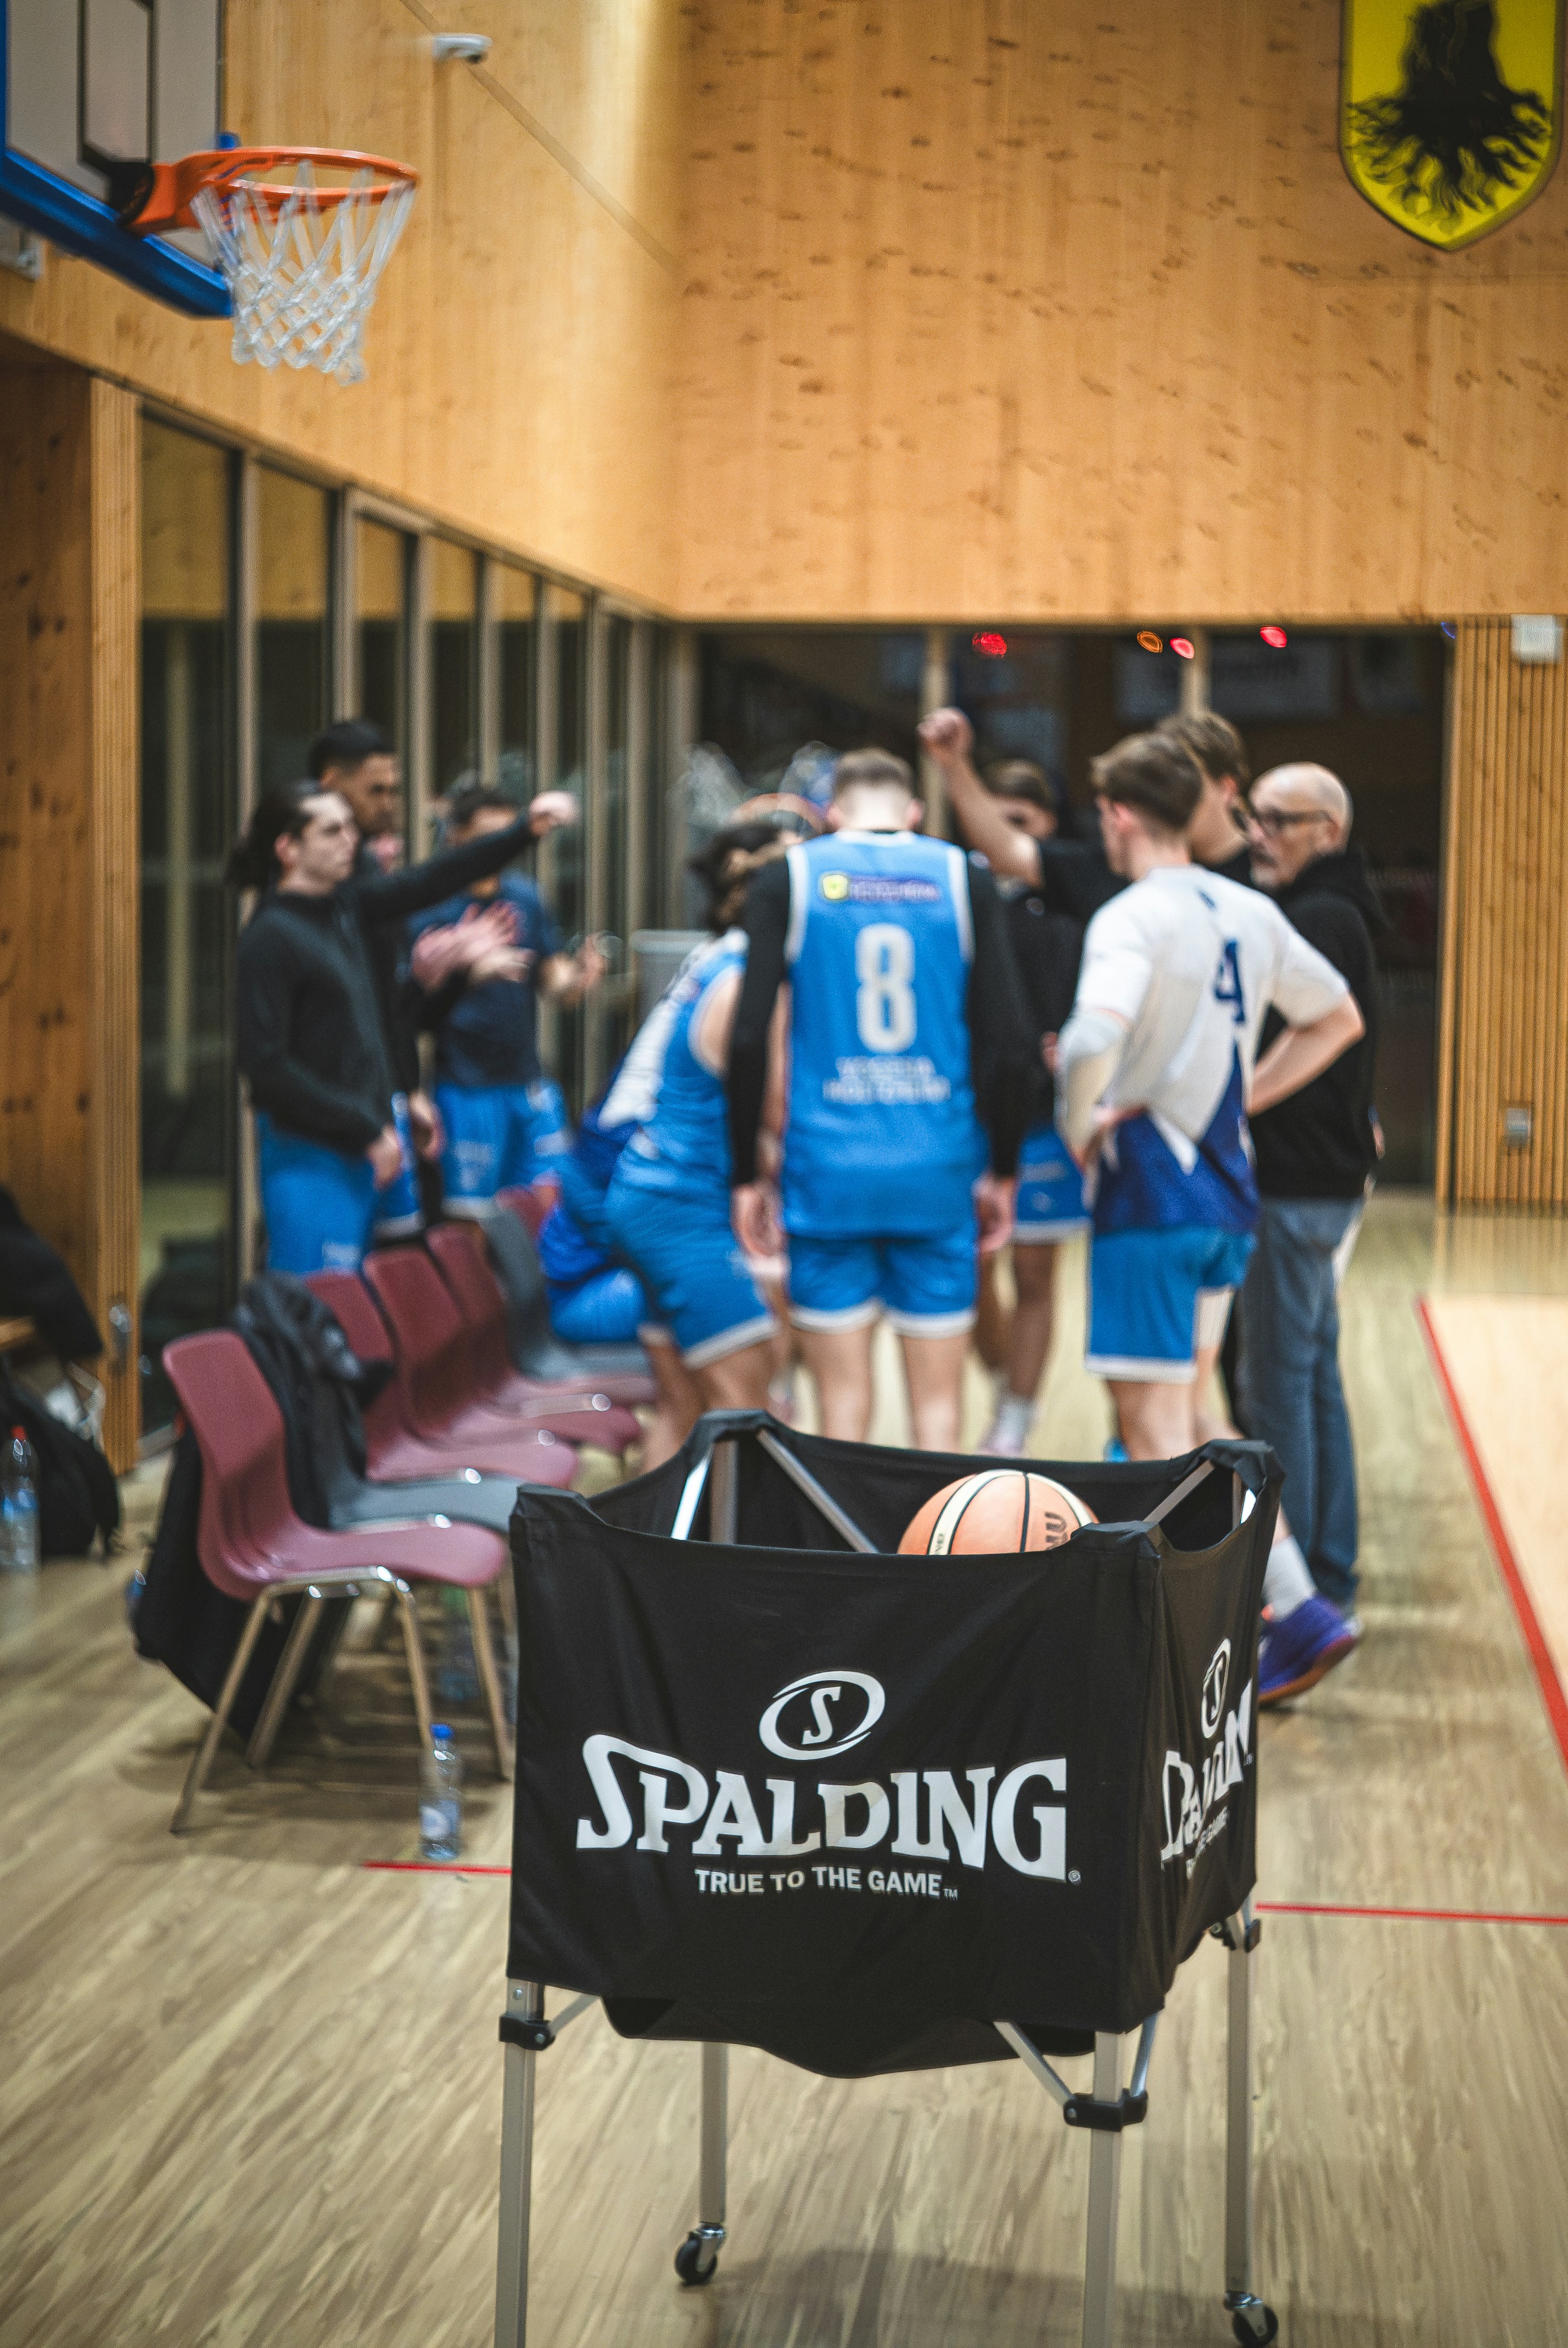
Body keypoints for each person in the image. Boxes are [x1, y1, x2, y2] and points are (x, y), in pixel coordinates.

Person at [1051, 730, 1366, 1692]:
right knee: (1191, 1410)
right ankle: (1290, 1608)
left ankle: (1208, 1643)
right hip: (1228, 1195)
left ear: (1118, 814)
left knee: (1152, 1427)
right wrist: (1240, 1101)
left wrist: (1080, 1128)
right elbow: (1339, 1017)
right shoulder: (1249, 910)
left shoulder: (1131, 916)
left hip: (1151, 1195)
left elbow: (1091, 1037)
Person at [728, 749, 1036, 1451]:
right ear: (914, 812)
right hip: (937, 1166)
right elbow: (1012, 1044)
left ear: (832, 813)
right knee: (938, 1412)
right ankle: (938, 1526)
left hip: (827, 1168)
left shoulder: (791, 876)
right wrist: (1005, 1168)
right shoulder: (961, 876)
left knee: (841, 1409)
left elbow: (749, 1037)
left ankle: (845, 1525)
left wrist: (744, 1172)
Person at [231, 779, 556, 1275]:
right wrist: (367, 1128)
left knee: (369, 1300)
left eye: (350, 828)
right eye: (332, 831)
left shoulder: (346, 908)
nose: (351, 840)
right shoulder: (271, 936)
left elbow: (432, 879)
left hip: (363, 1141)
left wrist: (524, 832)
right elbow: (266, 1067)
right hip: (311, 1154)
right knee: (315, 1307)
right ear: (288, 849)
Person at [307, 720, 576, 1237]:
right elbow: (276, 1055)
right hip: (361, 1110)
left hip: (394, 1100)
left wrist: (407, 1088)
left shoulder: (519, 896)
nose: (388, 805)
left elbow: (394, 1011)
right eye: (375, 791)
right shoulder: (294, 921)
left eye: (394, 791)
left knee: (405, 1247)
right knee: (353, 1263)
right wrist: (524, 831)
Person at [1239, 763, 1383, 1644]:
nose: (1258, 833)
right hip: (1321, 1185)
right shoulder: (1336, 910)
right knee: (1314, 1380)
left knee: (1278, 1389)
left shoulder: (1321, 916)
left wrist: (1233, 1104)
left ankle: (1299, 1597)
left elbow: (1325, 1036)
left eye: (1277, 819)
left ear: (1326, 830)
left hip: (1296, 1188)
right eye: (1252, 816)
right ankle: (1330, 1570)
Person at [605, 821, 793, 1434]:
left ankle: (662, 1505)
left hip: (651, 1191)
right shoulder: (751, 983)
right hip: (680, 1205)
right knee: (750, 1400)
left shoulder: (722, 962)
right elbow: (777, 1111)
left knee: (681, 1404)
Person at [945, 760, 1089, 1456]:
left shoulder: (1069, 912)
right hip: (966, 1117)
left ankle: (1015, 1420)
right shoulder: (957, 902)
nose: (997, 838)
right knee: (970, 1268)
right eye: (988, 823)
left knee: (1034, 1274)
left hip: (1041, 1123)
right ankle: (1009, 1383)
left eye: (1017, 823)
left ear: (1047, 827)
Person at [407, 782, 605, 1219]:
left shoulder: (526, 897)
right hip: (465, 1086)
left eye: (508, 835)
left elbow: (550, 978)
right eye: (488, 838)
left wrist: (576, 978)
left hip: (528, 1082)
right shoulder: (431, 905)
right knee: (472, 1221)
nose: (500, 848)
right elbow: (409, 1008)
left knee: (550, 1208)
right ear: (456, 836)